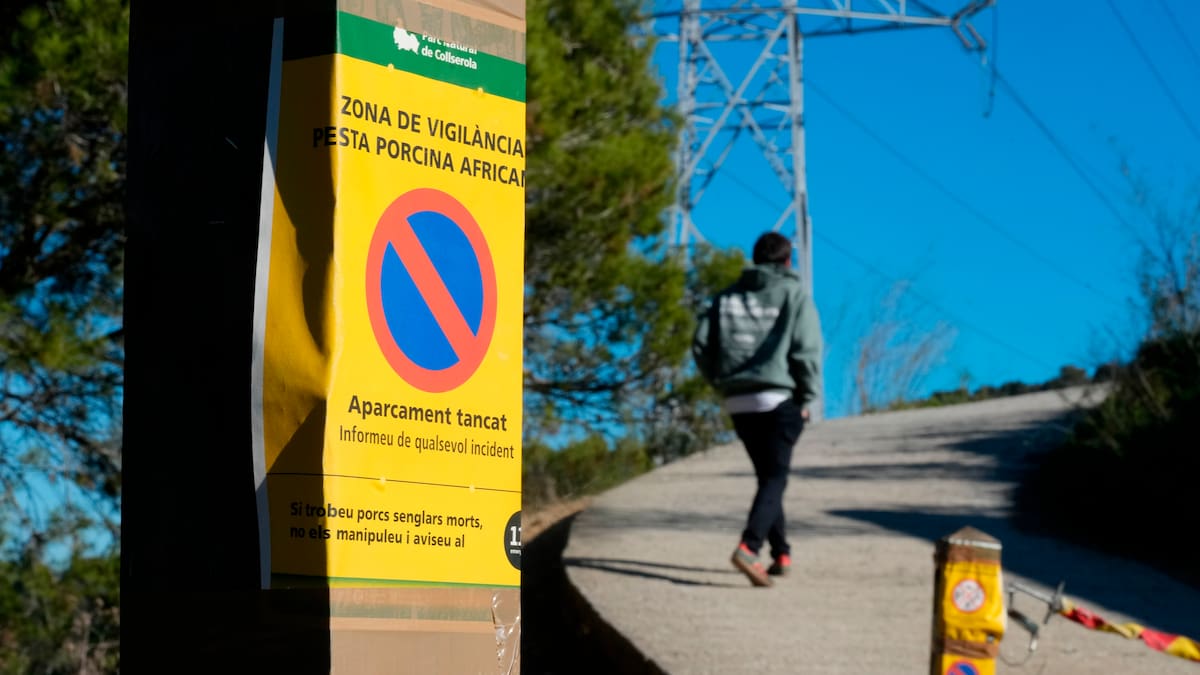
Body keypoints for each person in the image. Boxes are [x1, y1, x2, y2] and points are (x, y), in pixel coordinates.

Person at [692, 231, 822, 587]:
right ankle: (749, 548)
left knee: (768, 477)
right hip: (778, 399)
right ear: (788, 260)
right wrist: (808, 398)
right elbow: (806, 351)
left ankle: (781, 553)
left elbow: (701, 345)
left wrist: (720, 380)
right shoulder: (793, 294)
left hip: (738, 401)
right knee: (776, 478)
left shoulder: (726, 297)